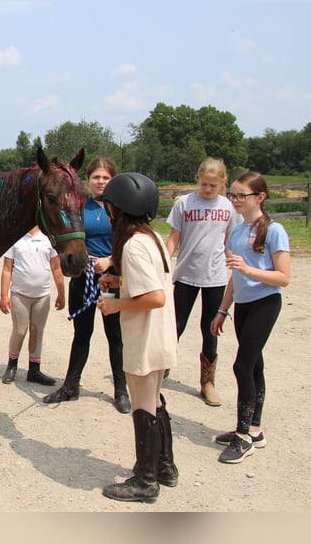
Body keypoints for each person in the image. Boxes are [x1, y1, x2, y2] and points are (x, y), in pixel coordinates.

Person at [96, 172, 178, 503]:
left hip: (145, 338)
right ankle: (164, 466)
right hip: (161, 335)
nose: (108, 212)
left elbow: (155, 296)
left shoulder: (131, 246)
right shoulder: (153, 239)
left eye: (110, 207)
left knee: (144, 405)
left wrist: (116, 305)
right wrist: (119, 284)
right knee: (155, 400)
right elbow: (151, 283)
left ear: (119, 209)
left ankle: (145, 481)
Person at [210, 172, 290, 464]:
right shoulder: (238, 230)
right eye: (232, 195)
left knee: (242, 366)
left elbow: (283, 277)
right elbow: (235, 276)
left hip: (265, 303)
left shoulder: (274, 230)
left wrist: (248, 269)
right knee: (254, 365)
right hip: (243, 304)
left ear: (260, 197)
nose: (235, 201)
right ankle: (254, 429)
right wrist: (222, 309)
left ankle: (243, 437)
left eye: (241, 195)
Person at [43, 157, 130, 413]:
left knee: (115, 335)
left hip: (111, 277)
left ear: (112, 179)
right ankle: (71, 385)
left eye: (105, 177)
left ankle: (121, 390)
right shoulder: (78, 207)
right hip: (84, 277)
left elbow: (130, 244)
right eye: (96, 177)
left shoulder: (121, 210)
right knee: (82, 334)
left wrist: (109, 260)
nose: (101, 182)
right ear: (88, 181)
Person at [166, 157, 242, 406]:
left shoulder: (229, 208)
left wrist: (236, 263)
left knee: (210, 329)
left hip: (215, 277)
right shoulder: (184, 203)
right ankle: (161, 369)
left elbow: (230, 241)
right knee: (174, 325)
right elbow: (174, 238)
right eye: (204, 184)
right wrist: (164, 262)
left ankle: (207, 382)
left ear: (223, 182)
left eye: (213, 185)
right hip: (187, 274)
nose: (208, 189)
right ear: (198, 179)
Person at [0, 225, 65, 385]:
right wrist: (4, 295)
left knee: (37, 331)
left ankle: (34, 369)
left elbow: (56, 268)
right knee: (20, 330)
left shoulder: (48, 238)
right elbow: (7, 268)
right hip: (20, 294)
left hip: (41, 295)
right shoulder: (16, 237)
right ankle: (12, 365)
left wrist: (62, 293)